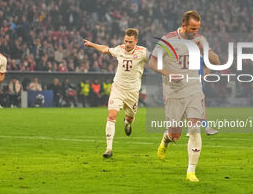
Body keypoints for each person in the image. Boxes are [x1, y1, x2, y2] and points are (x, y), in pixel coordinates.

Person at [148, 11, 220, 182]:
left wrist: (206, 51)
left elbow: (216, 61)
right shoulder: (167, 40)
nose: (195, 32)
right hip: (173, 91)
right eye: (192, 28)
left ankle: (191, 172)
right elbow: (151, 63)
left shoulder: (200, 40)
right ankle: (166, 139)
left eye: (198, 28)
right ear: (184, 25)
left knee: (195, 128)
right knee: (175, 134)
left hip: (194, 89)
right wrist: (168, 73)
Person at [84, 28, 149, 158]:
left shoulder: (143, 52)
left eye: (130, 42)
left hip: (132, 92)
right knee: (112, 115)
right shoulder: (119, 49)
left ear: (136, 41)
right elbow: (105, 49)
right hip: (118, 88)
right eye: (126, 41)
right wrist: (93, 45)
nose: (128, 44)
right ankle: (108, 148)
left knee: (130, 118)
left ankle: (127, 122)